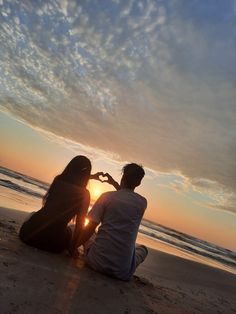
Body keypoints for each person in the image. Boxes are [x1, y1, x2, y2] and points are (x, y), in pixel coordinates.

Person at [72, 163, 148, 281]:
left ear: (123, 177)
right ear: (139, 183)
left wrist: (72, 248)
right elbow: (125, 197)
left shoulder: (107, 197)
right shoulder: (142, 203)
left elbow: (90, 228)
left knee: (85, 231)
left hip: (96, 262)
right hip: (122, 272)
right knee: (143, 250)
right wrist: (115, 185)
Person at [19, 155, 101, 254]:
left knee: (32, 214)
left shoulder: (58, 180)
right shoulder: (84, 194)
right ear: (86, 174)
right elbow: (79, 225)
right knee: (70, 230)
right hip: (53, 243)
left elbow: (73, 178)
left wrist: (91, 176)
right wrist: (73, 249)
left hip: (28, 234)